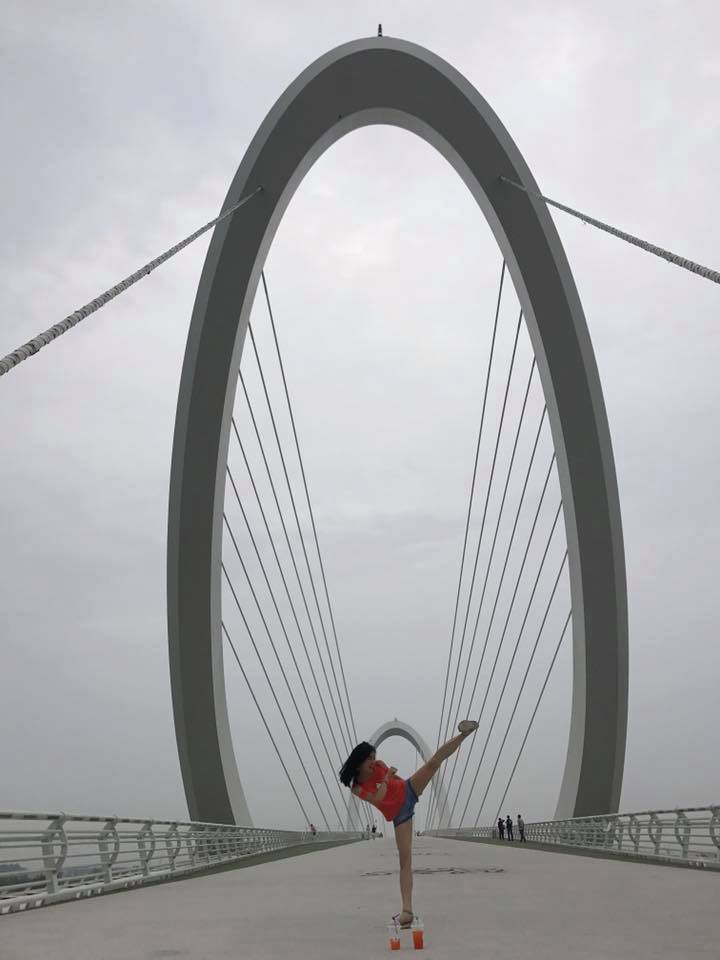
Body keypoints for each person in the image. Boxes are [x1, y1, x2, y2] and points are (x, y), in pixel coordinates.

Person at [339, 720, 479, 928]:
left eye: (373, 757)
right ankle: (407, 910)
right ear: (358, 761)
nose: (373, 761)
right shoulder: (356, 788)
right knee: (405, 862)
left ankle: (464, 734)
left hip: (407, 791)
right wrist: (387, 777)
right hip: (399, 815)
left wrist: (412, 785)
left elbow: (397, 781)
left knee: (433, 763)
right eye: (369, 758)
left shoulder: (379, 767)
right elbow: (378, 798)